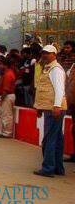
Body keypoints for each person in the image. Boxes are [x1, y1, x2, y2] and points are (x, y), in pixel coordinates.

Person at [32, 45, 67, 178]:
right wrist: (40, 107)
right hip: (50, 107)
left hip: (54, 108)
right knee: (57, 138)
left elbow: (59, 89)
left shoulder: (55, 69)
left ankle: (48, 168)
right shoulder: (47, 68)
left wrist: (57, 106)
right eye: (43, 53)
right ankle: (58, 168)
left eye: (48, 53)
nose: (45, 55)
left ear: (54, 55)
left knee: (49, 139)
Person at [0, 57, 17, 138]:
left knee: (6, 115)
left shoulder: (8, 74)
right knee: (1, 114)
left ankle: (7, 133)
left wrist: (1, 98)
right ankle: (1, 131)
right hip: (5, 95)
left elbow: (6, 89)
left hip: (6, 96)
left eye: (0, 64)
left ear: (4, 65)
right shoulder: (7, 73)